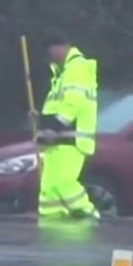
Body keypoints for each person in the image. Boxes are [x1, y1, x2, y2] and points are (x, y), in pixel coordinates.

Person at [33, 34, 100, 219]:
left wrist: (53, 127)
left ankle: (89, 215)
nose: (50, 57)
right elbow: (57, 105)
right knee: (49, 187)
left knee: (64, 182)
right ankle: (54, 221)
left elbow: (73, 103)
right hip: (56, 138)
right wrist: (41, 121)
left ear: (61, 47)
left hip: (70, 138)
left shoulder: (77, 68)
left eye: (51, 52)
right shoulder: (61, 73)